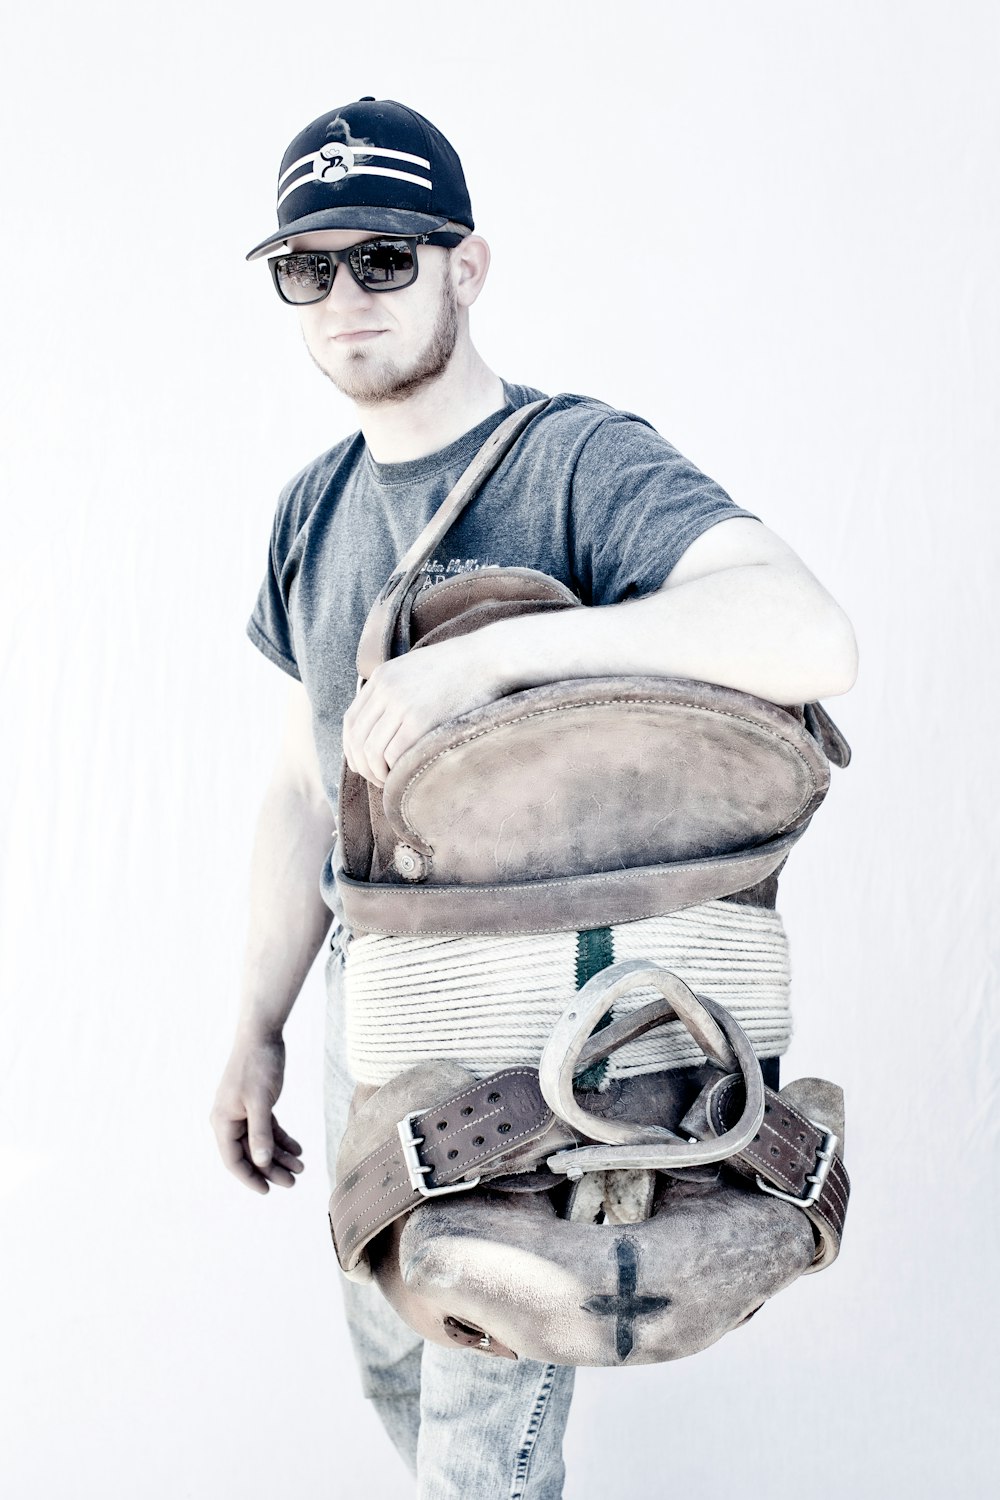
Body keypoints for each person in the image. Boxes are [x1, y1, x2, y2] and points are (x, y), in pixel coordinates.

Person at [211, 96, 858, 1499]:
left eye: (385, 257)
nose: (344, 297)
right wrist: (255, 1026)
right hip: (369, 1013)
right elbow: (295, 784)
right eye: (306, 268)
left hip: (540, 1026)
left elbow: (811, 637)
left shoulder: (572, 460)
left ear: (468, 265)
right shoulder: (310, 510)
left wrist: (495, 658)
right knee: (395, 1355)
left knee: (480, 1440)